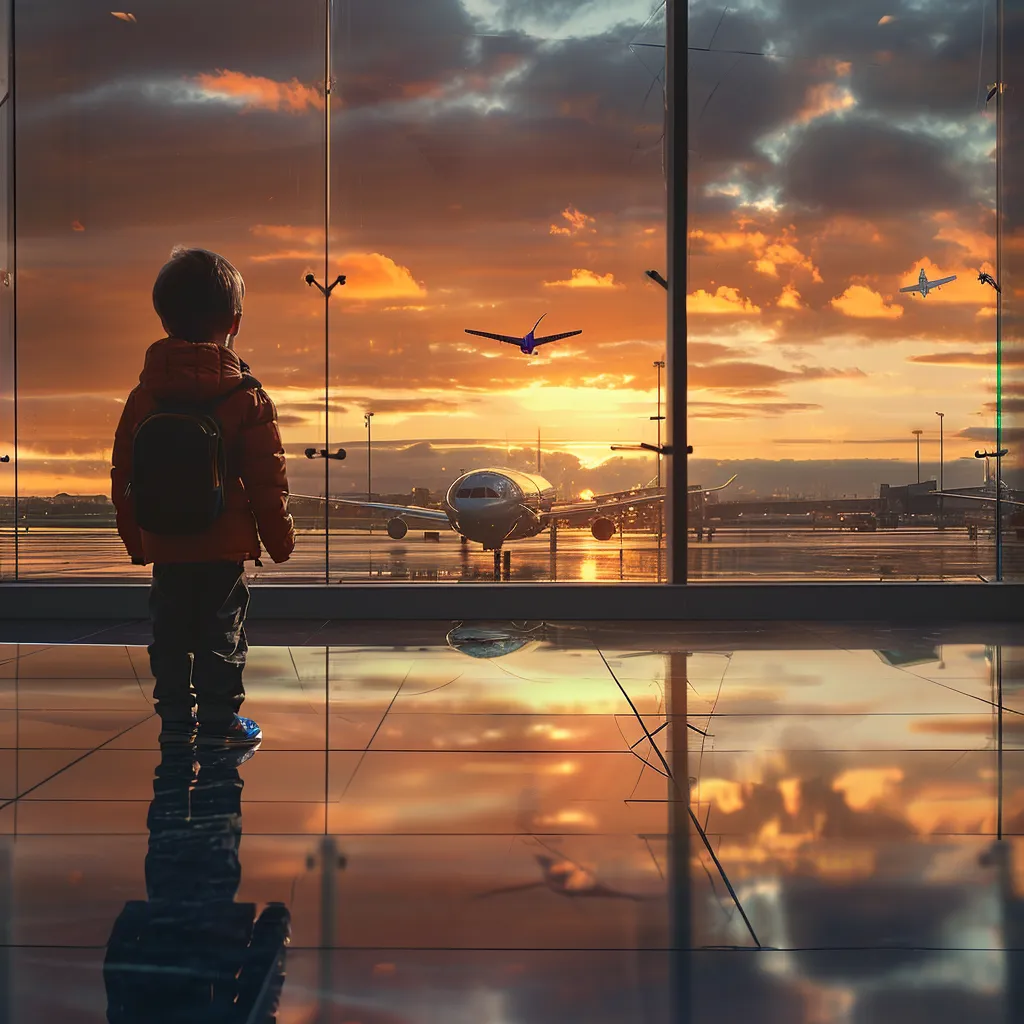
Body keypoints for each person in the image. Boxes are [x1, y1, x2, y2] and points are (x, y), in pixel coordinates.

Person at [111, 247, 295, 748]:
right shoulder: (246, 397)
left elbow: (123, 476)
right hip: (222, 545)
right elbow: (267, 479)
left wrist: (137, 542)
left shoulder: (143, 397)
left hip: (165, 542)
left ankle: (173, 717)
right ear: (234, 321)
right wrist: (280, 541)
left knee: (168, 631)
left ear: (164, 318)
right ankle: (219, 720)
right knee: (222, 632)